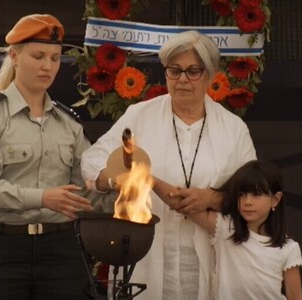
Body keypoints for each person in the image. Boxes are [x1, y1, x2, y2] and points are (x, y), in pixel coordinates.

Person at [81, 30, 257, 299]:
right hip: (146, 257)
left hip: (211, 259)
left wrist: (211, 197)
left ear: (209, 75)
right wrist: (118, 179)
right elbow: (92, 161)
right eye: (174, 70)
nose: (182, 79)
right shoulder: (140, 116)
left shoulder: (233, 129)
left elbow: (255, 195)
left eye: (192, 71)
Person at [0, 14, 99, 299]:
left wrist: (123, 185)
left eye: (55, 58)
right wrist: (43, 198)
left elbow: (85, 193)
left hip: (62, 253)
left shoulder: (68, 123)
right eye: (38, 56)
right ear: (14, 56)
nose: (47, 66)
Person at [165, 160, 302, 300]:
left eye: (256, 194)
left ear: (275, 199)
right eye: (241, 194)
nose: (247, 201)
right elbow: (180, 203)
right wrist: (148, 179)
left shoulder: (289, 249)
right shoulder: (226, 229)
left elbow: (296, 296)